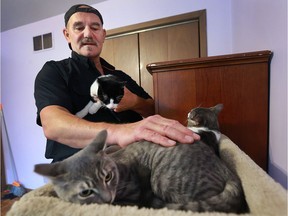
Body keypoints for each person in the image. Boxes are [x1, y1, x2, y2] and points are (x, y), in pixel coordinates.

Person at [34, 4, 200, 162]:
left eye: (95, 27)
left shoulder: (120, 76)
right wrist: (122, 132)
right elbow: (53, 125)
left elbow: (154, 109)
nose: (88, 34)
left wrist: (134, 102)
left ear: (103, 34)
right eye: (79, 27)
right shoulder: (54, 72)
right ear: (67, 35)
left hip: (136, 158)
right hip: (83, 167)